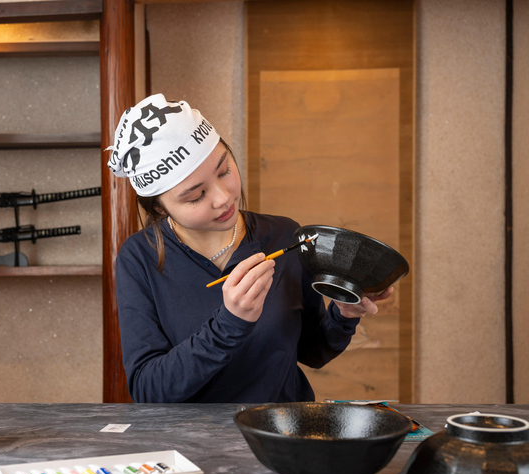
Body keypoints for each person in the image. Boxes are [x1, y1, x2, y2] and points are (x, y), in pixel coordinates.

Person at [106, 93, 392, 403]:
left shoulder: (283, 235)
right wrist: (229, 323)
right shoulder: (139, 258)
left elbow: (312, 352)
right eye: (195, 196)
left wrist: (344, 314)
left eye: (224, 171)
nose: (223, 198)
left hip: (281, 434)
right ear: (160, 208)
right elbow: (148, 391)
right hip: (189, 445)